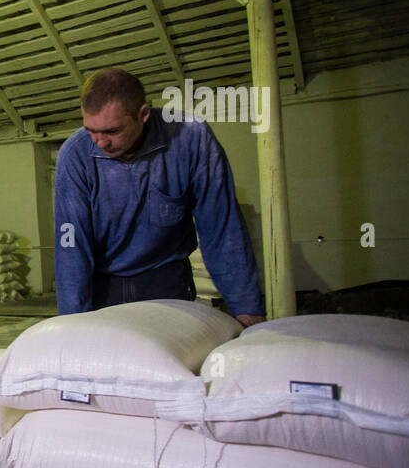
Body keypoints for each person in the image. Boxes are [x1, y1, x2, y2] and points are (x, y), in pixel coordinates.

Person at [54, 67, 265, 326]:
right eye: (91, 130)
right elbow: (71, 248)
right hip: (104, 287)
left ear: (143, 114)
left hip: (167, 284)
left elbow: (222, 229)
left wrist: (247, 309)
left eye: (112, 131)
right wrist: (71, 326)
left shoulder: (190, 139)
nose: (100, 142)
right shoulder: (75, 156)